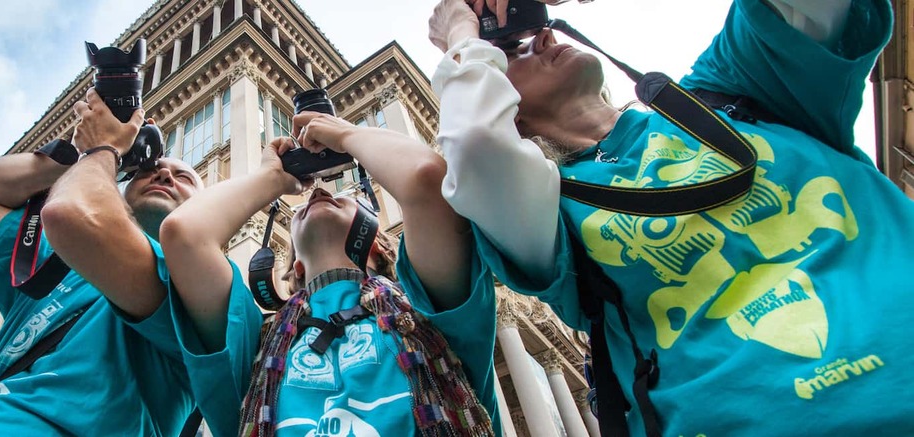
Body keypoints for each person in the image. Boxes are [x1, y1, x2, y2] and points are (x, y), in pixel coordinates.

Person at [429, 0, 913, 434]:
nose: (544, 38)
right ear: (507, 109)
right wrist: (460, 31)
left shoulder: (737, 91)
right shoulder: (547, 215)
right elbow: (476, 144)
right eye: (511, 51)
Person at [160, 112, 502, 436]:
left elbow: (426, 178)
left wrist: (346, 135)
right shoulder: (255, 343)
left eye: (342, 196)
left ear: (379, 246)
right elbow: (183, 235)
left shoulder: (428, 307)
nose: (320, 192)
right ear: (296, 266)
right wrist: (271, 178)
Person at [0, 89, 199, 435]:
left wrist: (104, 150)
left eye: (184, 178)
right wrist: (77, 153)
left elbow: (72, 213)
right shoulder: (56, 265)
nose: (165, 176)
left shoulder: (197, 288)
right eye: (150, 171)